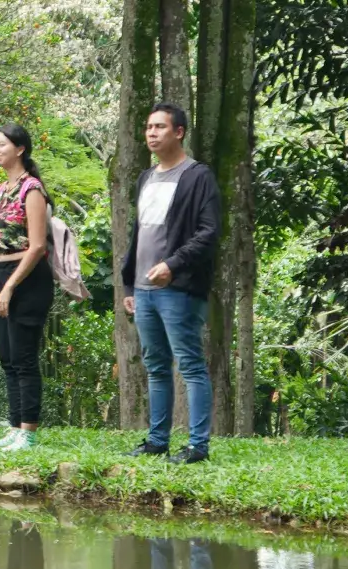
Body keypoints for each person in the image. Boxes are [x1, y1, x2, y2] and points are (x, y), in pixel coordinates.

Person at [121, 102, 220, 464]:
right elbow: (139, 235)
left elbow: (209, 233)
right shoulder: (145, 178)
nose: (152, 133)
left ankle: (198, 446)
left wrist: (172, 266)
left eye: (160, 127)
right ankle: (157, 441)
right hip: (144, 290)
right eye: (149, 127)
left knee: (190, 365)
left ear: (179, 132)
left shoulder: (197, 176)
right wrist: (129, 285)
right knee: (156, 366)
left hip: (179, 288)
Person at [0, 123, 56, 452]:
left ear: (20, 149)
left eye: (2, 144)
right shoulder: (3, 188)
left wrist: (10, 286)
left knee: (24, 357)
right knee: (7, 357)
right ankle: (15, 427)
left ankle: (28, 432)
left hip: (27, 277)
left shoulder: (32, 189)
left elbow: (37, 246)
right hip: (2, 273)